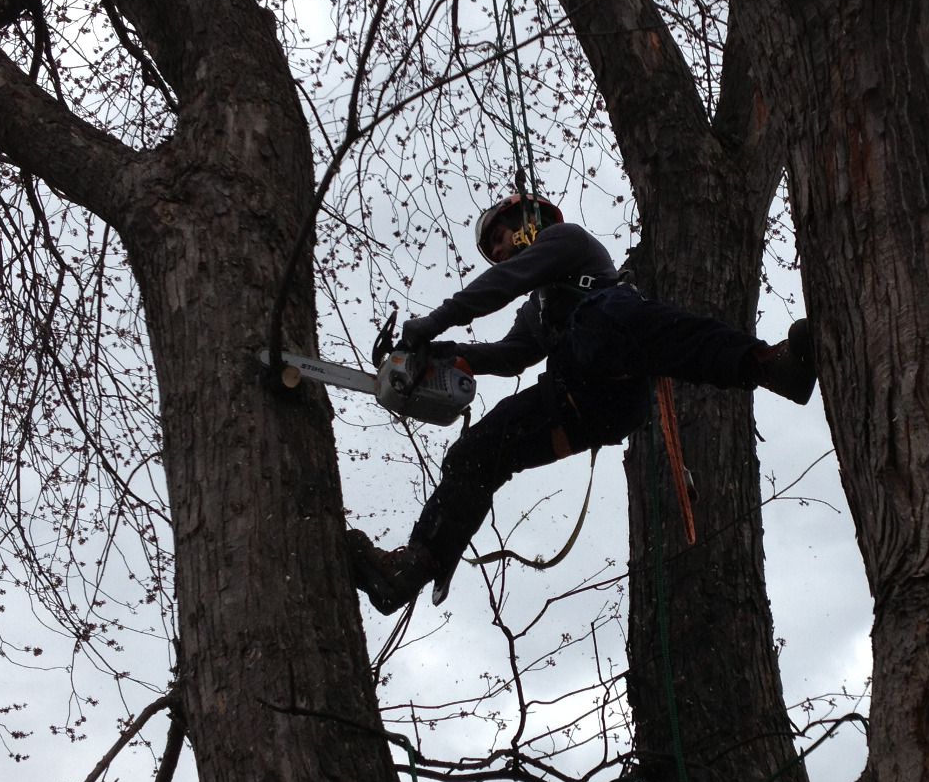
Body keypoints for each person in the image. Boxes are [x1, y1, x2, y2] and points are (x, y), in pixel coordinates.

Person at [347, 193, 815, 614]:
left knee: (611, 315)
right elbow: (514, 356)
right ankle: (413, 565)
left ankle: (766, 365)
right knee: (478, 450)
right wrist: (457, 354)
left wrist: (434, 321)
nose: (501, 252)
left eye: (501, 237)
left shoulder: (567, 242)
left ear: (527, 218)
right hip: (579, 404)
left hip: (613, 367)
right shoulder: (539, 308)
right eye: (492, 251)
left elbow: (507, 281)